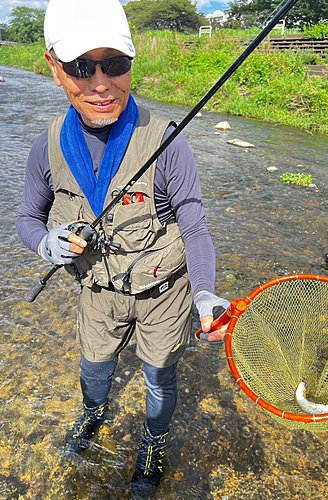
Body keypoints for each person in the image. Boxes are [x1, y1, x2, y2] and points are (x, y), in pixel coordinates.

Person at [16, 0, 230, 497]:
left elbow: (195, 228)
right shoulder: (45, 147)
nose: (100, 83)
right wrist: (46, 242)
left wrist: (204, 295)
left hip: (164, 292)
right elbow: (27, 219)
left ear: (130, 64)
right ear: (53, 68)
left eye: (115, 64)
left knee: (159, 377)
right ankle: (93, 413)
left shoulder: (166, 141)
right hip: (97, 291)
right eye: (80, 67)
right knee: (94, 367)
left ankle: (153, 443)